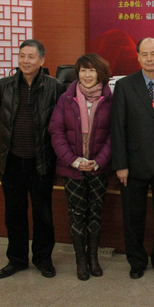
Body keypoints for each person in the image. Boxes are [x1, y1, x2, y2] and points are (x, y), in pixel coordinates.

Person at [0, 39, 66, 279]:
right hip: (12, 159)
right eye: (22, 55)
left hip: (41, 160)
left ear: (42, 60)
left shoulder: (55, 87)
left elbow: (60, 122)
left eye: (31, 56)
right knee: (14, 213)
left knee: (43, 213)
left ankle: (43, 259)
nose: (25, 61)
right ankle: (16, 259)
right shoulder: (3, 86)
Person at [111, 37, 154, 279]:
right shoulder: (125, 85)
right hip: (133, 163)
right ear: (138, 57)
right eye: (144, 54)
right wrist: (120, 164)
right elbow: (118, 127)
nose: (149, 58)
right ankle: (136, 261)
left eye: (153, 53)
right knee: (133, 216)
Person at [49, 54, 113, 281]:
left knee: (95, 213)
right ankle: (80, 261)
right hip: (72, 168)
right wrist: (73, 160)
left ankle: (93, 258)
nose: (87, 75)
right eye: (83, 70)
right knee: (76, 214)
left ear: (100, 73)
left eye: (91, 70)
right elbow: (56, 131)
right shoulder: (66, 98)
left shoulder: (110, 99)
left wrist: (98, 161)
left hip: (98, 167)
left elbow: (114, 135)